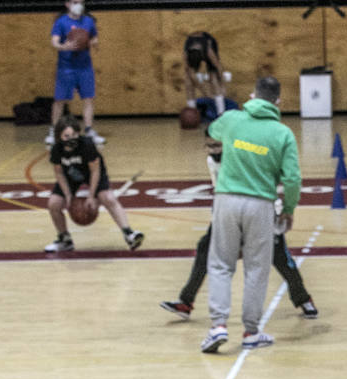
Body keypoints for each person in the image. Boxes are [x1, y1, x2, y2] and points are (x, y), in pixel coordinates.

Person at [160, 137, 317, 322]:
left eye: (217, 146)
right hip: (230, 210)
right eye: (209, 147)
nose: (214, 151)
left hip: (260, 208)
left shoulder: (244, 157)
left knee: (280, 258)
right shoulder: (212, 161)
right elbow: (220, 190)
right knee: (205, 248)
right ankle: (185, 302)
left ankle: (303, 298)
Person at [201, 75, 301, 355]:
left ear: (252, 95)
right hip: (261, 204)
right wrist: (289, 209)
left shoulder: (232, 119)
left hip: (227, 200)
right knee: (257, 268)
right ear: (278, 102)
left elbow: (212, 131)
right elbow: (292, 179)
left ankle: (218, 326)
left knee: (221, 263)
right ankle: (251, 332)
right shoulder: (283, 134)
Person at [44, 114, 143, 253]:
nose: (71, 139)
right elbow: (59, 173)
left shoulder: (87, 145)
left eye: (74, 135)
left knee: (107, 198)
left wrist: (91, 196)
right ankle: (64, 240)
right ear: (59, 136)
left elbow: (95, 171)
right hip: (71, 176)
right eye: (66, 136)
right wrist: (67, 195)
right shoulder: (56, 150)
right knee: (53, 203)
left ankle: (129, 234)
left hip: (93, 174)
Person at [46, 0, 103, 146]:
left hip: (85, 67)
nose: (79, 5)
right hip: (66, 68)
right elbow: (54, 41)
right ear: (67, 4)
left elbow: (94, 37)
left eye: (81, 2)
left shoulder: (89, 21)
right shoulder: (61, 22)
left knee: (88, 99)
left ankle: (89, 130)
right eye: (75, 2)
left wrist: (93, 42)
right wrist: (64, 46)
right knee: (59, 100)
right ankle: (54, 131)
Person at [183, 31, 227, 118]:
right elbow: (191, 74)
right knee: (188, 81)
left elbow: (218, 67)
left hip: (207, 43)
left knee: (213, 78)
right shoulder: (186, 54)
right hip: (193, 46)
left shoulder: (209, 51)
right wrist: (204, 92)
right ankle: (192, 114)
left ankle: (221, 114)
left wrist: (223, 85)